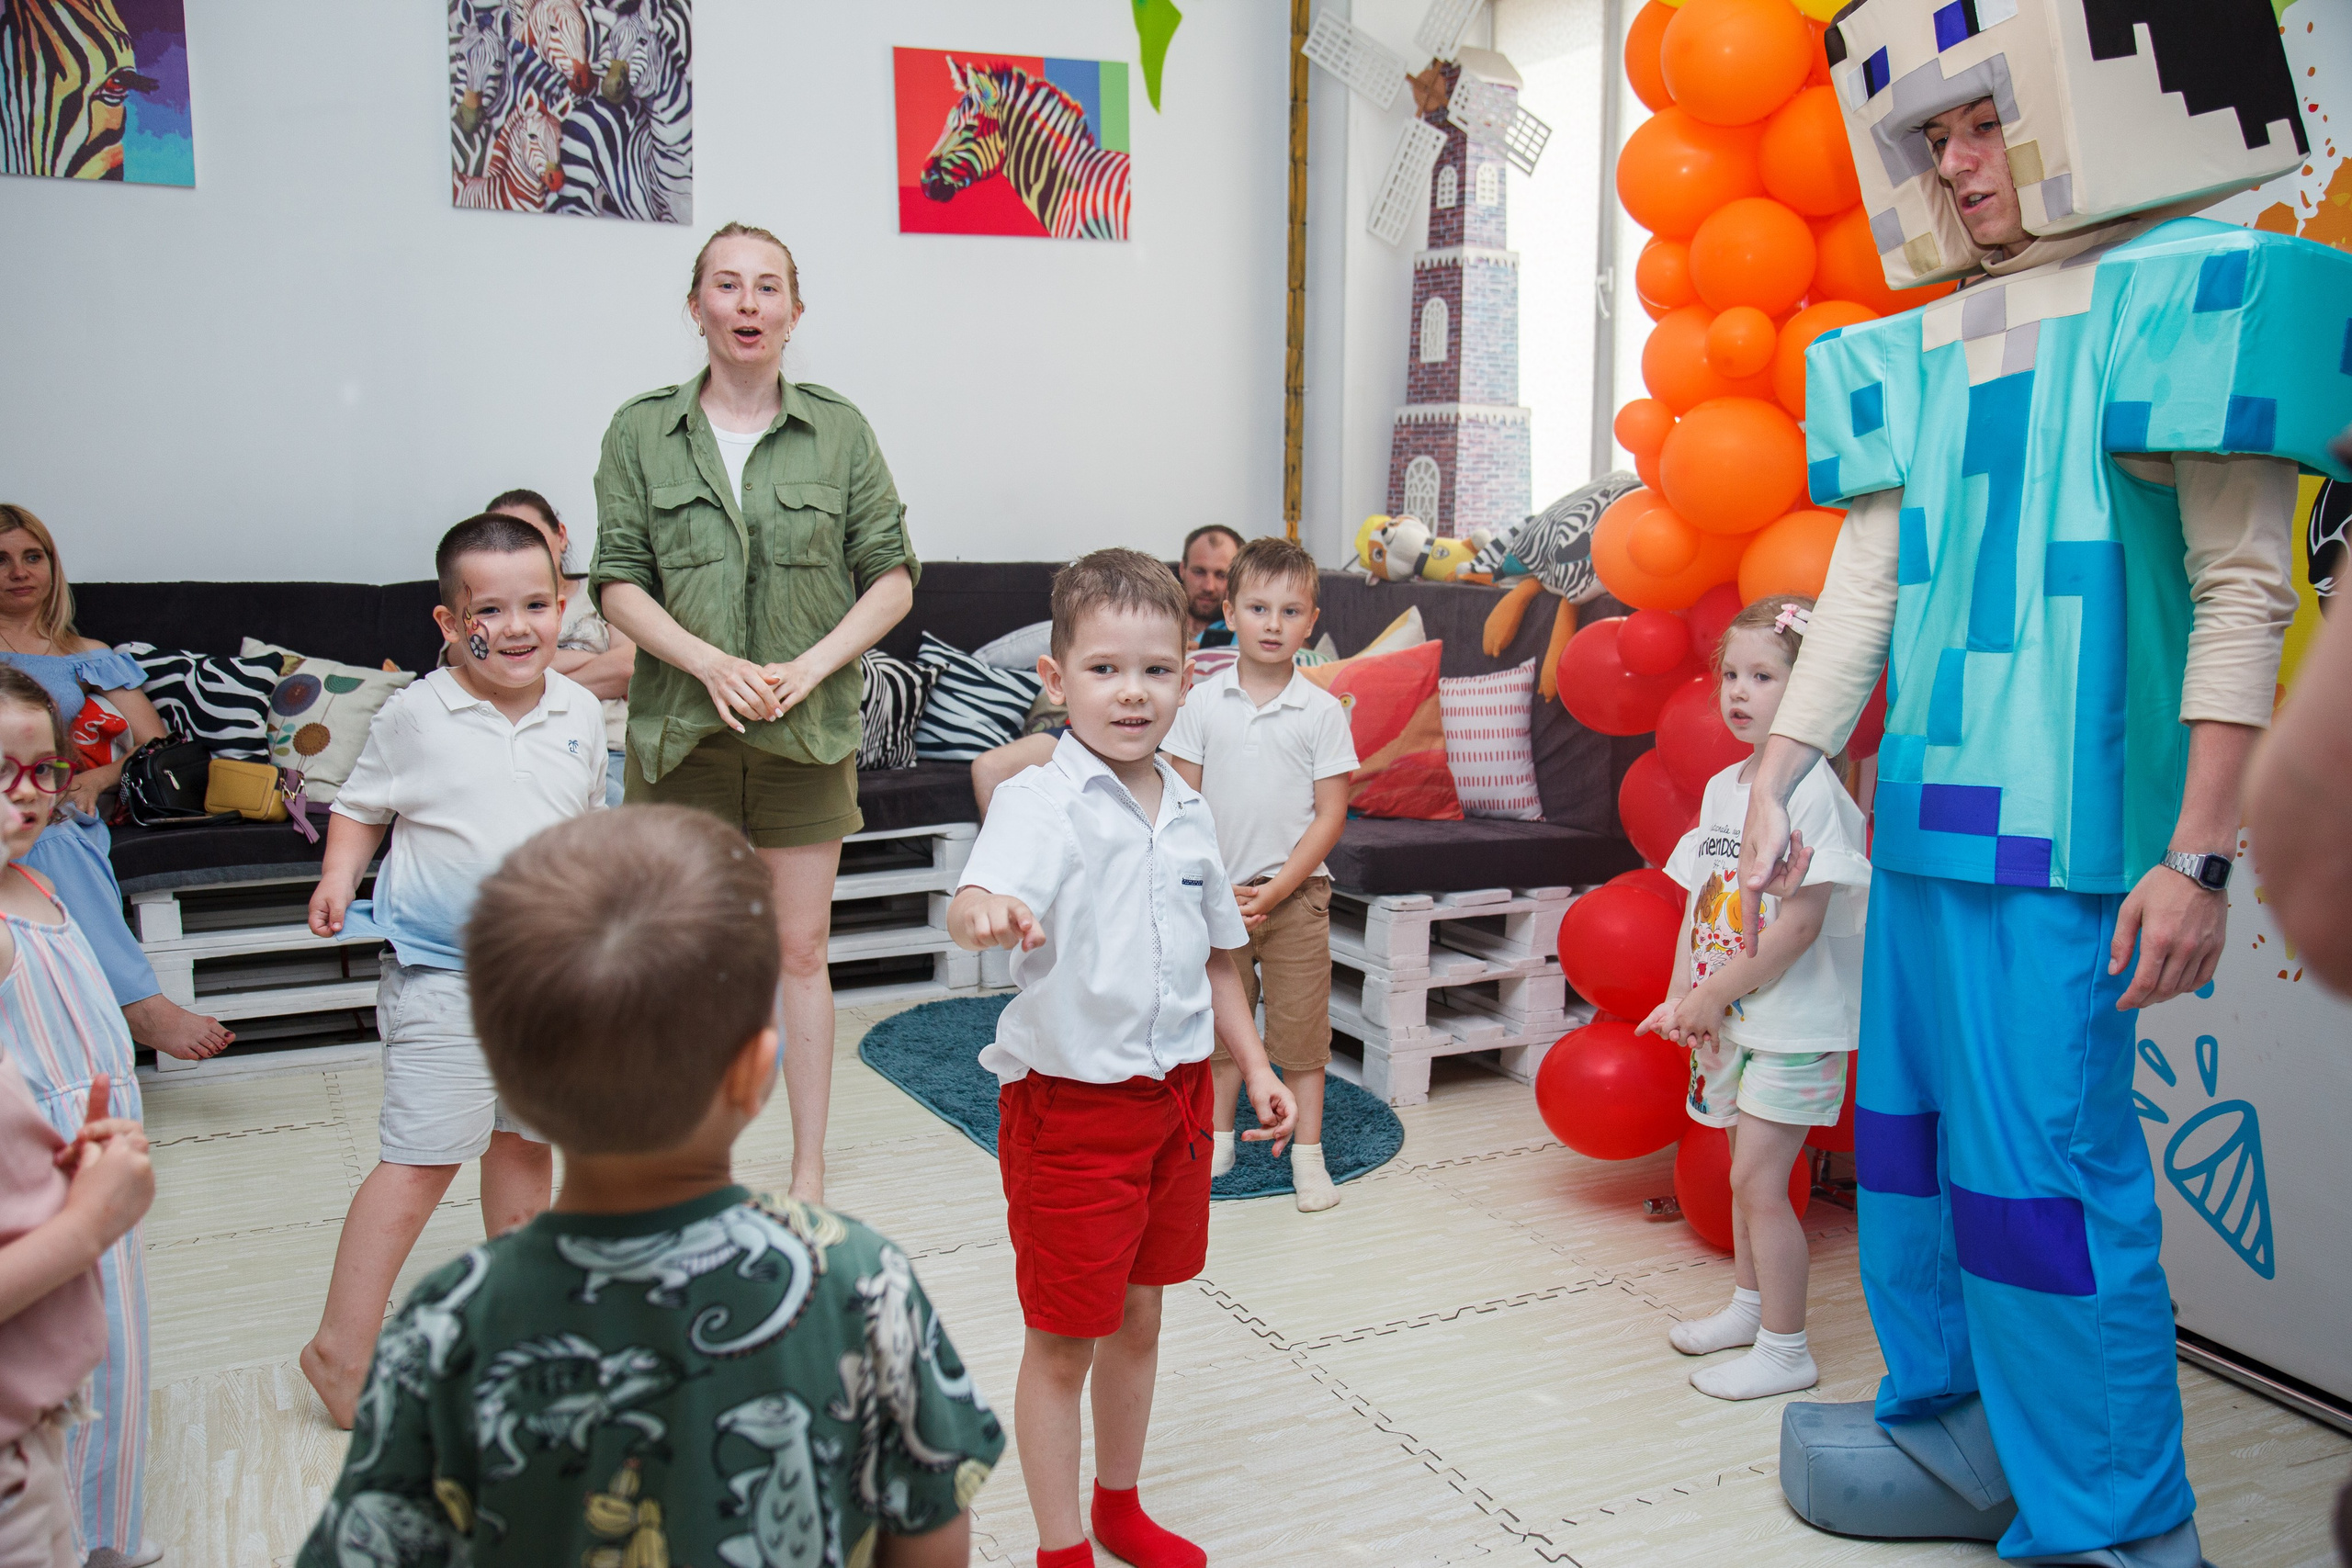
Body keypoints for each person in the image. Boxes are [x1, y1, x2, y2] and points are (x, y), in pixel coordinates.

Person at [1743, 5, 2352, 1555]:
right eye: (1933, 136)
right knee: (1915, 1157)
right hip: (1930, 835)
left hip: (2072, 856)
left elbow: (2243, 589)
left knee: (2046, 1191)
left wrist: (2199, 854)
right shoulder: (1927, 348)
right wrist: (1782, 769)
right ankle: (1956, 1435)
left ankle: (2119, 1525)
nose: (1957, 163)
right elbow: (1866, 580)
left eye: (1980, 123)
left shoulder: (2189, 297)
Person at [296, 805, 1003, 1567]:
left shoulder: (449, 1317)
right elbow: (930, 1530)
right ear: (758, 1068)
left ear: (511, 1078)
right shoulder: (860, 1276)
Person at [948, 547, 1297, 1568]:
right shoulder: (1037, 802)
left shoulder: (1188, 812)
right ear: (1055, 682)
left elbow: (1220, 964)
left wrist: (1260, 1069)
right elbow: (976, 899)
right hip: (1073, 1107)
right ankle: (1063, 1551)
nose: (1131, 693)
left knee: (1139, 1317)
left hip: (1180, 1099)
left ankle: (1117, 1504)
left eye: (1155, 669)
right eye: (1103, 669)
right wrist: (986, 914)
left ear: (1189, 677)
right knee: (1064, 1337)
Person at [591, 220, 917, 1207]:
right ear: (695, 308)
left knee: (799, 953)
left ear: (794, 312)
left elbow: (892, 579)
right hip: (679, 732)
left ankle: (808, 1172)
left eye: (767, 287)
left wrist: (812, 667)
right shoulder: (640, 430)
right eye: (725, 286)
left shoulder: (840, 429)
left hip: (805, 736)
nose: (746, 304)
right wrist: (706, 663)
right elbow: (615, 583)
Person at [297, 514, 605, 1430]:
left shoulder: (580, 713)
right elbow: (358, 805)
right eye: (490, 611)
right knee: (421, 1161)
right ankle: (340, 1350)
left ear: (564, 606)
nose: (516, 628)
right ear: (448, 622)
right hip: (446, 979)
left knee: (523, 1144)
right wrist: (337, 874)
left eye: (537, 605)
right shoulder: (415, 716)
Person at [1637, 597, 1869, 1402]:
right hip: (1729, 1019)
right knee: (1742, 1172)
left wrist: (1714, 995)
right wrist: (1681, 997)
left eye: (1763, 676)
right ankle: (1748, 1308)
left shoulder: (1815, 797)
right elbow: (1700, 900)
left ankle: (1786, 1346)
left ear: (1809, 693)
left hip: (1790, 1026)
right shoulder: (1720, 790)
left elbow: (1798, 930)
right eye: (1730, 675)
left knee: (1761, 1183)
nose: (1738, 691)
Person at [0, 666, 159, 1564]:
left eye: (43, 771)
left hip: (101, 1170)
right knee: (50, 1376)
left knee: (114, 1366)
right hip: (39, 1186)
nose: (26, 796)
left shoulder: (44, 885)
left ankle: (105, 1541)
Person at [1162, 536, 1354, 1213]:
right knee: (1221, 1029)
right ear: (1232, 614)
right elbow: (1181, 804)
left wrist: (1276, 889)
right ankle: (1217, 1138)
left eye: (1290, 610)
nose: (1273, 623)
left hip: (1296, 897)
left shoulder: (1324, 712)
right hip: (1219, 899)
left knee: (1302, 1035)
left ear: (1311, 621)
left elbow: (1330, 816)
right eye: (1259, 607)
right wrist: (1215, 887)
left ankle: (1308, 1155)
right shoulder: (1202, 704)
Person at [0, 504, 232, 1065]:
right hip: (18, 800)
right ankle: (140, 1007)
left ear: (53, 566)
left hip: (66, 803)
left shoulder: (87, 655)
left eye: (34, 557)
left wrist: (97, 779)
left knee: (58, 833)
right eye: (1, 560)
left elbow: (155, 745)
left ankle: (122, 1012)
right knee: (49, 836)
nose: (20, 572)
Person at [970, 524, 1244, 818]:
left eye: (1222, 575)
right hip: (1085, 723)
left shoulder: (1245, 629)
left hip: (1172, 728)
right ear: (1183, 569)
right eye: (1200, 572)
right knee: (990, 767)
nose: (1210, 586)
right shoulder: (1120, 607)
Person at [483, 488, 635, 807]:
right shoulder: (478, 605)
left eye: (529, 535)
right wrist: (594, 661)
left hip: (609, 745)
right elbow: (474, 664)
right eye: (503, 540)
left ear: (560, 536)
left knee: (634, 831)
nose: (516, 550)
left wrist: (522, 677)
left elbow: (626, 667)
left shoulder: (604, 591)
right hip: (517, 746)